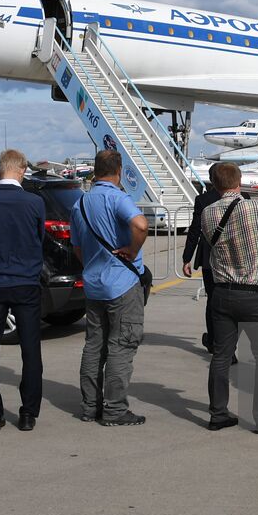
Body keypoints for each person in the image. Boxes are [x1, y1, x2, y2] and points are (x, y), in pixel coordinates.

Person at [199, 162, 258, 433]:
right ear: (240, 181)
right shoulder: (257, 207)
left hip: (222, 293)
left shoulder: (208, 213)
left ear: (215, 184)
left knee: (221, 355)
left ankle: (218, 413)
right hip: (254, 294)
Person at [72, 149, 150, 426]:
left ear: (94, 170)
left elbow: (77, 247)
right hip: (122, 283)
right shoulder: (117, 197)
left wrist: (93, 266)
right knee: (122, 345)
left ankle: (89, 407)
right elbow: (141, 224)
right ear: (118, 171)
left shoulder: (80, 204)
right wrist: (131, 249)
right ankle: (115, 410)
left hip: (93, 285)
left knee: (94, 345)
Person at [0, 149, 46, 433]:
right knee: (31, 351)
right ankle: (28, 413)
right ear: (23, 170)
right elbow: (38, 237)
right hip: (26, 281)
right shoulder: (35, 203)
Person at [181, 163, 223, 353]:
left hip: (210, 257)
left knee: (213, 300)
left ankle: (214, 340)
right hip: (236, 258)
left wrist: (186, 258)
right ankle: (228, 343)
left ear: (211, 179)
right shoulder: (244, 198)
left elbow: (195, 231)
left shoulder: (203, 200)